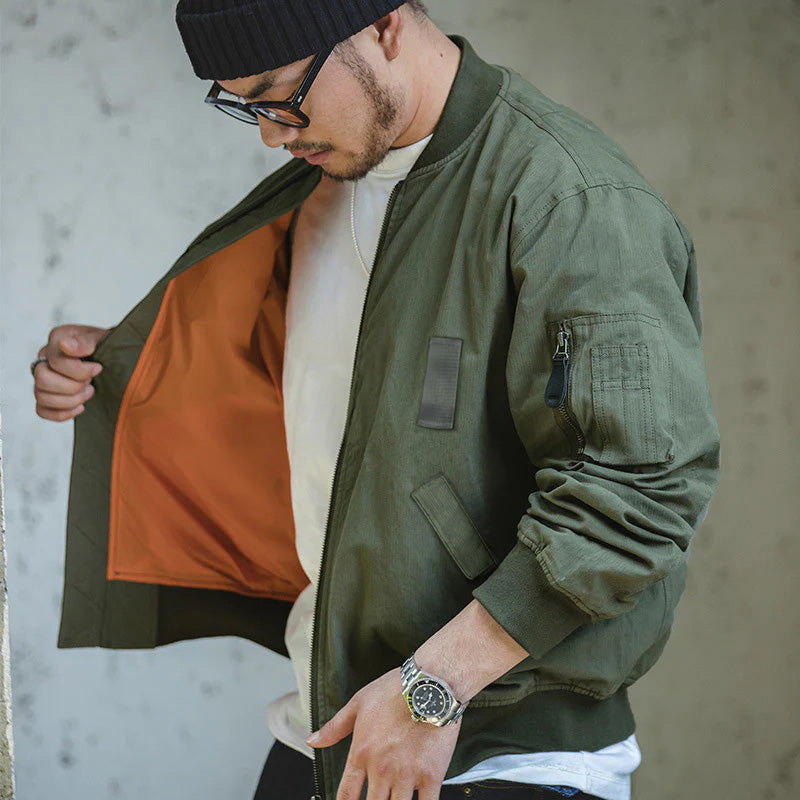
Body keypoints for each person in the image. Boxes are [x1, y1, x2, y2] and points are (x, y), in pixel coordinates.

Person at [30, 2, 721, 799]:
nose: (270, 135)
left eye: (281, 95)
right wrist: (127, 366)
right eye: (244, 106)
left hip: (501, 753)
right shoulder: (325, 186)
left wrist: (433, 688)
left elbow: (641, 487)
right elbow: (337, 402)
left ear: (385, 25)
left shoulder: (571, 200)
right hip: (327, 730)